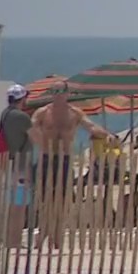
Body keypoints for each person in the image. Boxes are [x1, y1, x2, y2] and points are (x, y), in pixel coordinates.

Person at [31, 82, 116, 250]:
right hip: (47, 158)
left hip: (65, 159)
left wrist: (107, 134)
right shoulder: (42, 112)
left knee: (63, 199)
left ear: (67, 93)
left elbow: (90, 126)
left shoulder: (75, 113)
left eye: (61, 91)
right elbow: (30, 128)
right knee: (45, 198)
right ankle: (43, 232)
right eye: (55, 91)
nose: (58, 94)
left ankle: (56, 235)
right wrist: (41, 143)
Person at [0, 84, 36, 243]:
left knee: (13, 204)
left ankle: (11, 239)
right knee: (19, 206)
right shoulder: (21, 117)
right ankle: (14, 241)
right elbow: (35, 137)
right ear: (23, 99)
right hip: (20, 166)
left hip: (10, 163)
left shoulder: (5, 114)